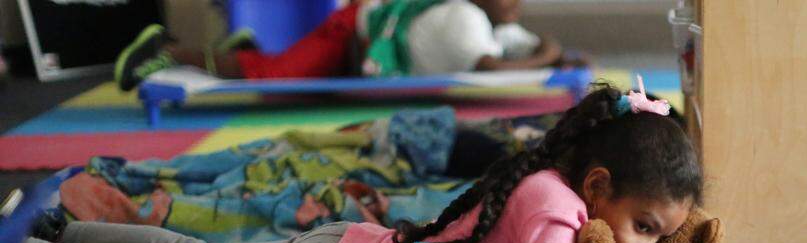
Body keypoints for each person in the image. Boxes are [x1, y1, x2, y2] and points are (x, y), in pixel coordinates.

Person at [19, 83, 701, 243]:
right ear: (599, 185)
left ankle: (53, 232)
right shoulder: (553, 206)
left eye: (656, 240)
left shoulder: (549, 180)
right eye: (643, 227)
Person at [115, 0, 581, 92]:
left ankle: (242, 47)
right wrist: (551, 51)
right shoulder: (463, 18)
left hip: (359, 47)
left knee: (276, 67)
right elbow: (492, 70)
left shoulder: (492, 23)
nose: (518, 6)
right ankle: (170, 48)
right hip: (352, 33)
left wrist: (554, 52)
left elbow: (542, 47)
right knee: (271, 78)